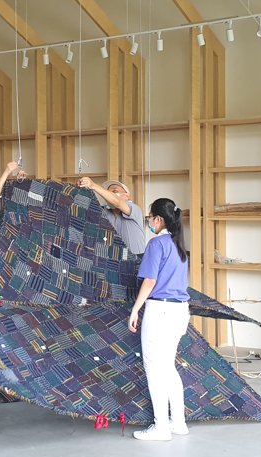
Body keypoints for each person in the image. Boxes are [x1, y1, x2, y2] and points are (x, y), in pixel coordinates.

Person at [127, 198, 191, 442]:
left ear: (159, 219)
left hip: (160, 310)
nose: (149, 222)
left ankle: (161, 427)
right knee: (168, 367)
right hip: (180, 311)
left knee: (154, 369)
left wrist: (135, 309)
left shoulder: (157, 244)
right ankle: (178, 423)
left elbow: (150, 281)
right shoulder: (179, 245)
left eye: (150, 218)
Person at [76, 178, 147, 255]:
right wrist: (80, 191)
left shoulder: (134, 209)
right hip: (114, 259)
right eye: (109, 193)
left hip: (136, 258)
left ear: (127, 196)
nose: (110, 196)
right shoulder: (104, 213)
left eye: (115, 191)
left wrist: (93, 185)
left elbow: (117, 202)